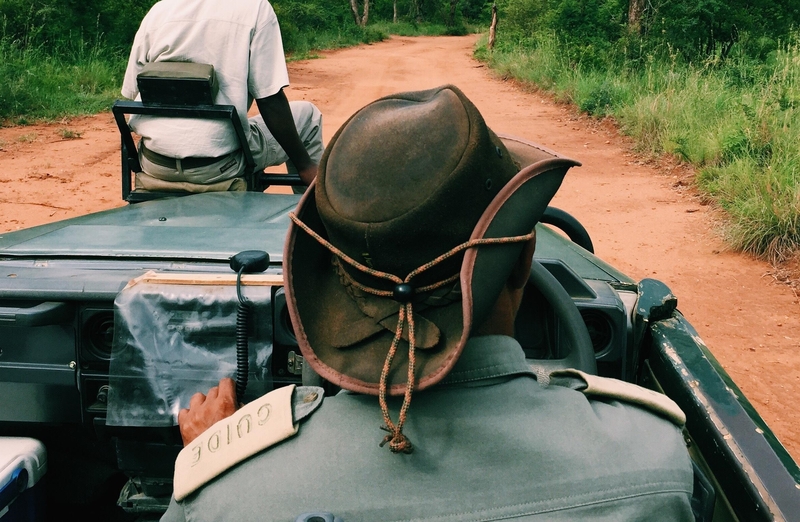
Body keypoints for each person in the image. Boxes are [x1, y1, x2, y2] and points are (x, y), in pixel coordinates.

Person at [163, 85, 695, 521]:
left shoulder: (225, 498)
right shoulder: (655, 460)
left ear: (329, 282)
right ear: (519, 260)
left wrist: (218, 459)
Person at [121, 0, 322, 190]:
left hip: (155, 162)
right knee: (309, 115)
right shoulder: (255, 9)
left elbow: (132, 90)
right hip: (219, 166)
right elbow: (270, 100)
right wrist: (305, 166)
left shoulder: (159, 11)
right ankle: (308, 219)